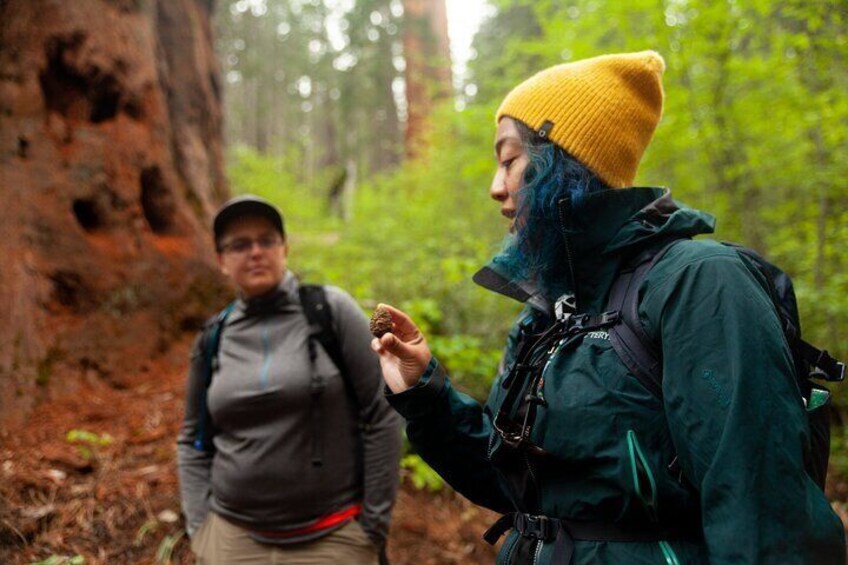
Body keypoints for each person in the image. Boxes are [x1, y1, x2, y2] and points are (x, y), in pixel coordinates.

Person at [371, 51, 845, 564]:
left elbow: (763, 517)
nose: (495, 186)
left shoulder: (698, 283)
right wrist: (426, 395)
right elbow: (522, 487)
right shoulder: (551, 313)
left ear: (561, 161)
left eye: (509, 159)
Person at [178, 195, 402, 564]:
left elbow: (382, 413)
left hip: (333, 536)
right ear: (221, 261)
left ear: (285, 248)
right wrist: (201, 529)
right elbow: (191, 439)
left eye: (266, 240)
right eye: (239, 245)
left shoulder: (329, 311)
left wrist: (372, 526)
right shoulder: (213, 338)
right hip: (232, 540)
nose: (255, 252)